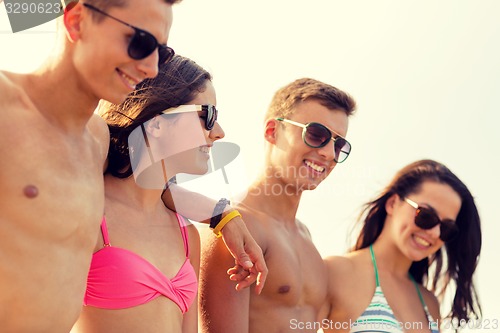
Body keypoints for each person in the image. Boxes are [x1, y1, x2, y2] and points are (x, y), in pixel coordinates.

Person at [0, 1, 265, 331]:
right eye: (141, 43)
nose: (152, 68)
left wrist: (223, 215)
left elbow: (140, 185)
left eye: (161, 51)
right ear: (77, 20)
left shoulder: (93, 142)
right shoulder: (7, 108)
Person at [72, 54, 225, 333]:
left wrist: (226, 215)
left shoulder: (186, 234)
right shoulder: (90, 213)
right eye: (207, 116)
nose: (219, 132)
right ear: (156, 123)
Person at [198, 78, 357, 332]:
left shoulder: (306, 239)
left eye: (339, 145)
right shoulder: (235, 226)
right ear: (272, 131)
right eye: (317, 134)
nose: (328, 153)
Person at [322, 159, 482, 333]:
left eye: (446, 228)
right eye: (426, 216)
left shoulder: (429, 303)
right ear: (392, 204)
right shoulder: (335, 272)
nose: (435, 233)